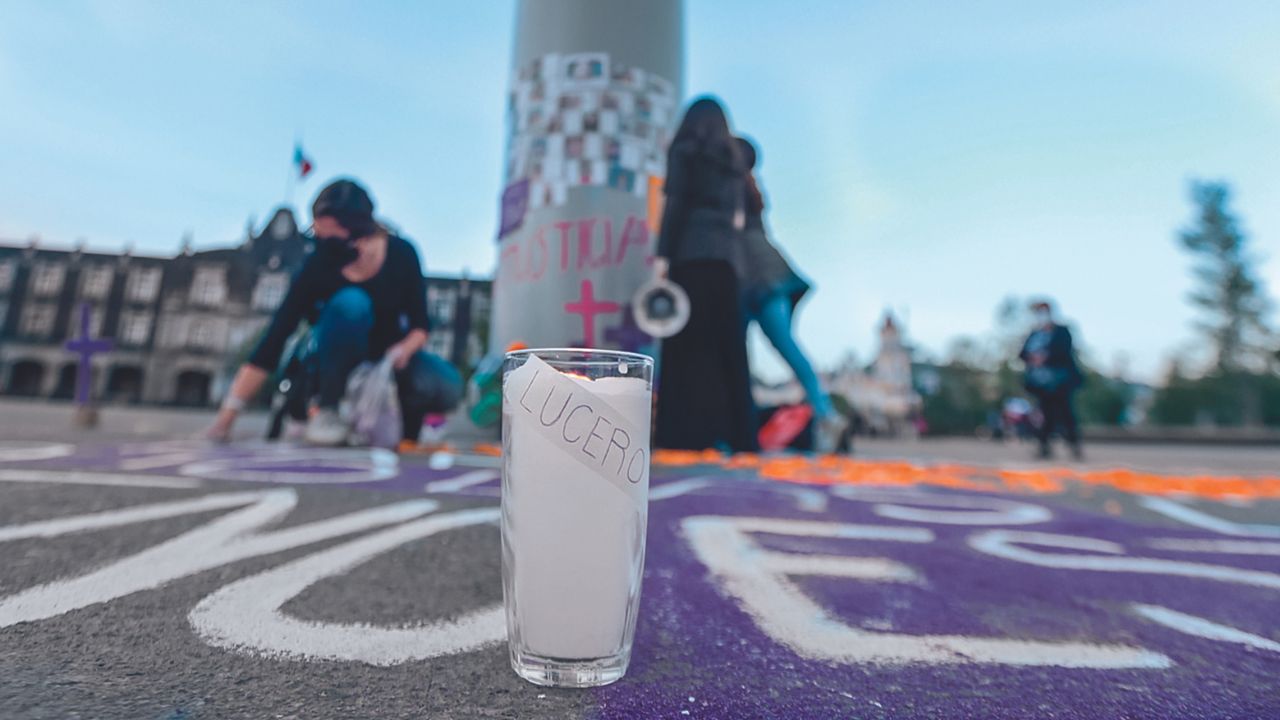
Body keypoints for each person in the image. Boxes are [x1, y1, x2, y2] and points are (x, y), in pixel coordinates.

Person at [208, 178, 462, 446]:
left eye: (334, 239)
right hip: (329, 364)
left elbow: (420, 324)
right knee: (351, 302)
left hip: (387, 358)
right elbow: (275, 338)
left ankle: (405, 425)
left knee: (445, 383)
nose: (326, 246)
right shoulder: (318, 264)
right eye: (319, 237)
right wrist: (227, 417)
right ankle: (327, 409)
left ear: (361, 233)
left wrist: (402, 351)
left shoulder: (401, 254)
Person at [653, 97, 758, 452]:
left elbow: (676, 204)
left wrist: (662, 256)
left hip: (692, 257)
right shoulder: (734, 161)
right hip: (728, 264)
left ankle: (683, 437)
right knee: (730, 351)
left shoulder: (685, 150)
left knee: (687, 350)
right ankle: (741, 438)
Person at [736, 136, 847, 453]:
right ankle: (825, 412)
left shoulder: (735, 187)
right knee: (784, 346)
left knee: (756, 349)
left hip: (755, 276)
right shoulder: (753, 188)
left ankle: (825, 414)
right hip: (772, 273)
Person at [1019, 300, 1084, 460]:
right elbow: (1022, 353)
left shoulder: (1062, 331)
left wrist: (1046, 357)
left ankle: (1074, 446)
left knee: (1066, 413)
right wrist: (1032, 358)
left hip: (1060, 381)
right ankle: (1044, 447)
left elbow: (1065, 351)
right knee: (1046, 415)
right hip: (1041, 383)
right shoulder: (1034, 334)